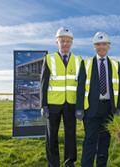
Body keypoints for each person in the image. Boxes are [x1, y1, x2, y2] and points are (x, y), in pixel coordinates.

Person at [75, 32, 120, 167]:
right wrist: (79, 108)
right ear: (94, 46)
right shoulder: (85, 63)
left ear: (109, 46)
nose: (101, 47)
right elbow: (80, 87)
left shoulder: (115, 64)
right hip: (90, 109)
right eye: (98, 44)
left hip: (108, 109)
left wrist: (119, 107)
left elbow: (119, 86)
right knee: (90, 141)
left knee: (104, 142)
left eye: (104, 44)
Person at [40, 27, 82, 167]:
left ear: (72, 42)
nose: (65, 44)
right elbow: (43, 84)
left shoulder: (78, 60)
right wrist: (43, 105)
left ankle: (69, 162)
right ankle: (53, 163)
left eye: (68, 41)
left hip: (71, 104)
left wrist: (80, 106)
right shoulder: (49, 59)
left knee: (71, 135)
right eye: (62, 41)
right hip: (53, 104)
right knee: (52, 136)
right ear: (56, 42)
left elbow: (81, 85)